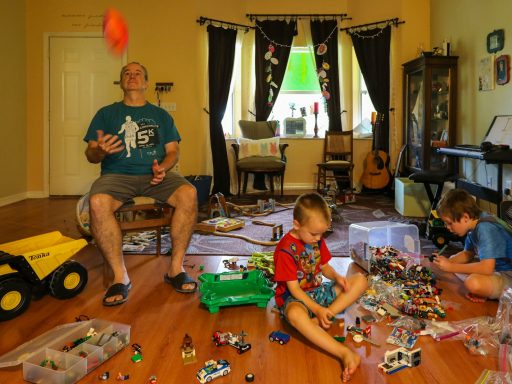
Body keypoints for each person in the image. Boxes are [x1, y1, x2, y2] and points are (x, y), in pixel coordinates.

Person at [84, 62, 198, 306]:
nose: (132, 76)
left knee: (189, 193)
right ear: (122, 82)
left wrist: (163, 168)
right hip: (117, 176)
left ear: (146, 82)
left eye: (137, 73)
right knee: (97, 201)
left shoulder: (161, 115)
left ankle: (175, 269)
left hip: (156, 174)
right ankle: (119, 276)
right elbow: (90, 153)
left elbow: (173, 151)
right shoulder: (106, 114)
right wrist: (100, 151)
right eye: (127, 73)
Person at [273, 193, 368, 382]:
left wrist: (338, 277)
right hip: (295, 300)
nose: (318, 238)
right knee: (294, 315)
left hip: (318, 293)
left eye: (322, 234)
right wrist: (317, 309)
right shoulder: (285, 250)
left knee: (360, 280)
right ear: (297, 225)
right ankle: (343, 353)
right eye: (314, 234)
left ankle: (324, 318)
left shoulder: (315, 240)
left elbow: (324, 267)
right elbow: (295, 290)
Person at [434, 189, 512, 302]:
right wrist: (447, 262)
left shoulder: (485, 228)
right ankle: (489, 290)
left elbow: (487, 268)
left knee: (472, 283)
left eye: (449, 223)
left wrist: (450, 267)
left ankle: (499, 292)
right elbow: (468, 253)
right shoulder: (474, 224)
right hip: (496, 269)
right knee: (452, 260)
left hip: (508, 273)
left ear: (465, 217)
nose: (447, 227)